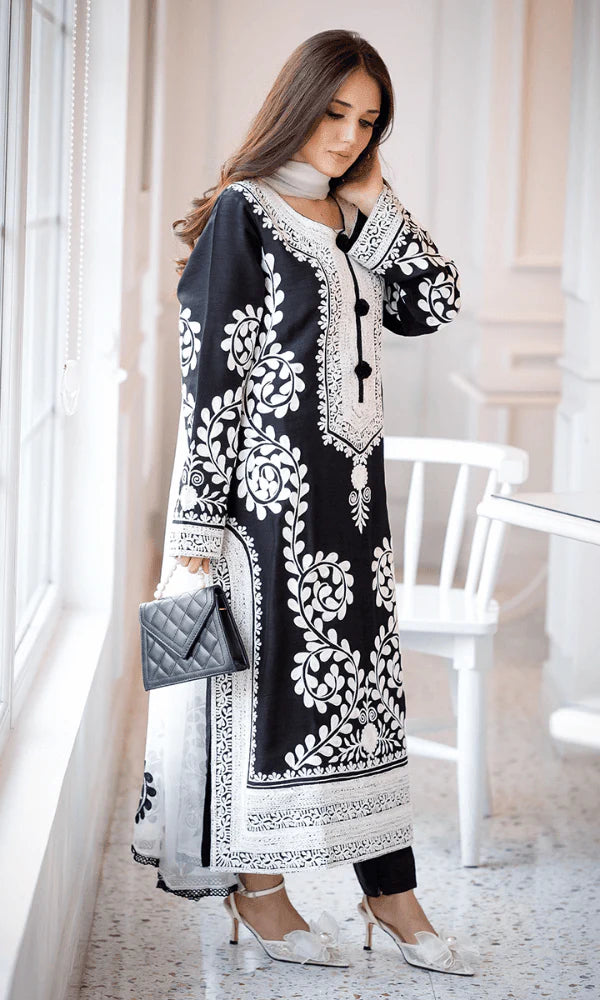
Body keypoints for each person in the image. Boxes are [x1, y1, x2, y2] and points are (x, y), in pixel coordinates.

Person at [131, 28, 477, 975]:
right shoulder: (243, 213)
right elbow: (212, 379)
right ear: (297, 105)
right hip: (265, 515)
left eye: (367, 122)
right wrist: (199, 531)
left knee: (366, 702)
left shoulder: (356, 217)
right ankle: (260, 888)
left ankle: (390, 893)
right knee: (267, 705)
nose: (347, 136)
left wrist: (380, 203)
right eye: (334, 113)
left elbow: (433, 304)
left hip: (354, 516)